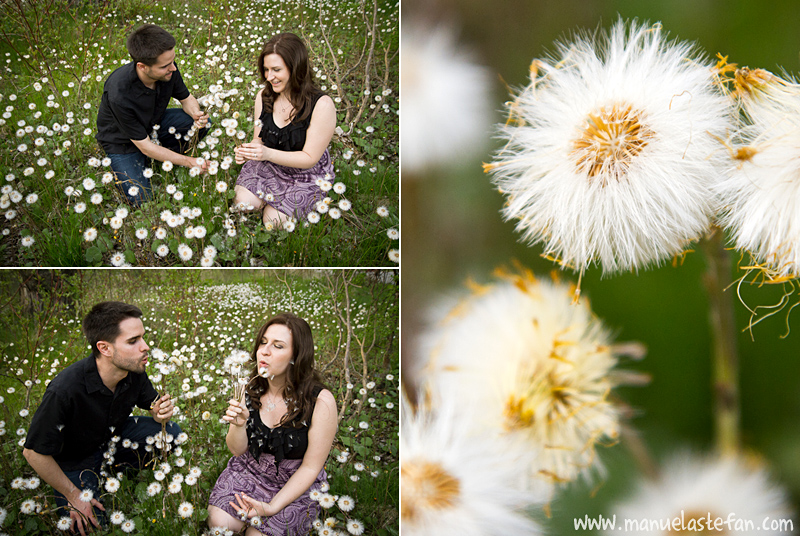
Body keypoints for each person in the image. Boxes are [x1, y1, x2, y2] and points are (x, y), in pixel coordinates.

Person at [22, 302, 179, 536]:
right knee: (90, 527)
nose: (145, 347)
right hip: (74, 461)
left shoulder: (133, 371)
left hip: (113, 440)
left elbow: (152, 403)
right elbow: (33, 453)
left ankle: (114, 471)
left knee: (171, 433)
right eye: (133, 341)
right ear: (104, 348)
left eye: (143, 338)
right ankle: (89, 485)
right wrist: (73, 495)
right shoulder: (65, 390)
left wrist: (159, 411)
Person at [208, 313, 338, 536]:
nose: (264, 351)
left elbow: (310, 467)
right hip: (251, 471)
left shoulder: (320, 401)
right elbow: (237, 450)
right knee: (220, 525)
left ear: (296, 356)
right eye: (263, 342)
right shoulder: (250, 389)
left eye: (278, 346)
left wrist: (272, 507)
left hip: (295, 483)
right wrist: (238, 425)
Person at [96, 24, 210, 206]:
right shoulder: (119, 93)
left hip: (154, 124)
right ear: (142, 66)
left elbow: (186, 98)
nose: (173, 68)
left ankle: (164, 156)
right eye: (165, 65)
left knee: (205, 124)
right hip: (123, 143)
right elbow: (145, 147)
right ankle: (153, 160)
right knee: (142, 200)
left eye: (173, 61)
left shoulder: (168, 70)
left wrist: (197, 114)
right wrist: (189, 162)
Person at [233, 32, 337, 226]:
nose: (269, 77)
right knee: (243, 203)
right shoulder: (264, 96)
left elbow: (309, 158)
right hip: (269, 163)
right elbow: (259, 138)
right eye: (266, 69)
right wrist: (249, 151)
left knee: (274, 222)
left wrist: (266, 153)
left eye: (276, 70)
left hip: (305, 172)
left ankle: (275, 206)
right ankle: (266, 199)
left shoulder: (321, 105)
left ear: (295, 68)